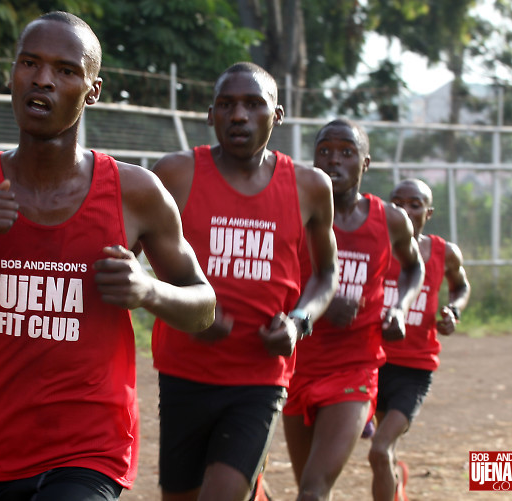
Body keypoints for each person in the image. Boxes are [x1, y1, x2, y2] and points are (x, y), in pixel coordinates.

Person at [0, 11, 216, 501]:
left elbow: (204, 306)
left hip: (88, 455)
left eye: (65, 70)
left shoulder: (135, 193)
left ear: (93, 90)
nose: (42, 79)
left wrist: (148, 289)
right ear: (13, 75)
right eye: (29, 63)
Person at [150, 62, 340, 501]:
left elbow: (326, 274)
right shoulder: (176, 174)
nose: (239, 115)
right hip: (183, 372)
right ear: (210, 115)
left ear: (278, 115)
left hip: (261, 376)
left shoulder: (310, 186)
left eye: (254, 104)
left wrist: (298, 322)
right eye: (227, 105)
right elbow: (131, 263)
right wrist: (184, 309)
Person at [282, 118, 425, 501]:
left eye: (347, 152)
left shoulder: (390, 220)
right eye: (324, 151)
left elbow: (414, 267)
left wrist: (399, 307)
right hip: (296, 366)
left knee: (312, 491)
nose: (334, 160)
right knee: (308, 490)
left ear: (365, 164)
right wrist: (320, 308)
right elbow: (273, 281)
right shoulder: (294, 214)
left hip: (355, 367)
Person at [368, 178, 471, 501]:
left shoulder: (443, 252)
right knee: (386, 450)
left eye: (415, 204)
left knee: (379, 448)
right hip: (371, 361)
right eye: (397, 202)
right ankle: (395, 481)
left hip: (414, 369)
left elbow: (461, 286)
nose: (405, 210)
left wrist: (453, 309)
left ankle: (392, 477)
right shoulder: (373, 243)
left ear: (429, 212)